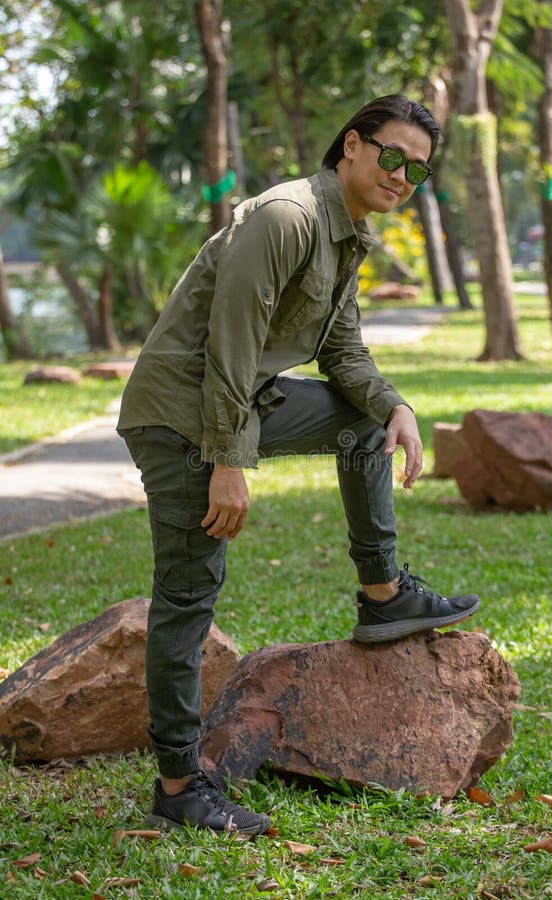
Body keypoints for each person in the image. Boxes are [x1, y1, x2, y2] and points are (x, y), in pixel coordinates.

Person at [117, 93, 480, 835]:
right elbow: (230, 344)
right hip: (179, 412)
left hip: (239, 401)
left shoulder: (349, 234)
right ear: (351, 145)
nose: (403, 175)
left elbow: (341, 350)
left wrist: (395, 405)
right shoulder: (287, 217)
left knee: (360, 420)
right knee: (190, 594)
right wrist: (228, 461)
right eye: (392, 155)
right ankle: (181, 786)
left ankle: (382, 593)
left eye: (418, 169)